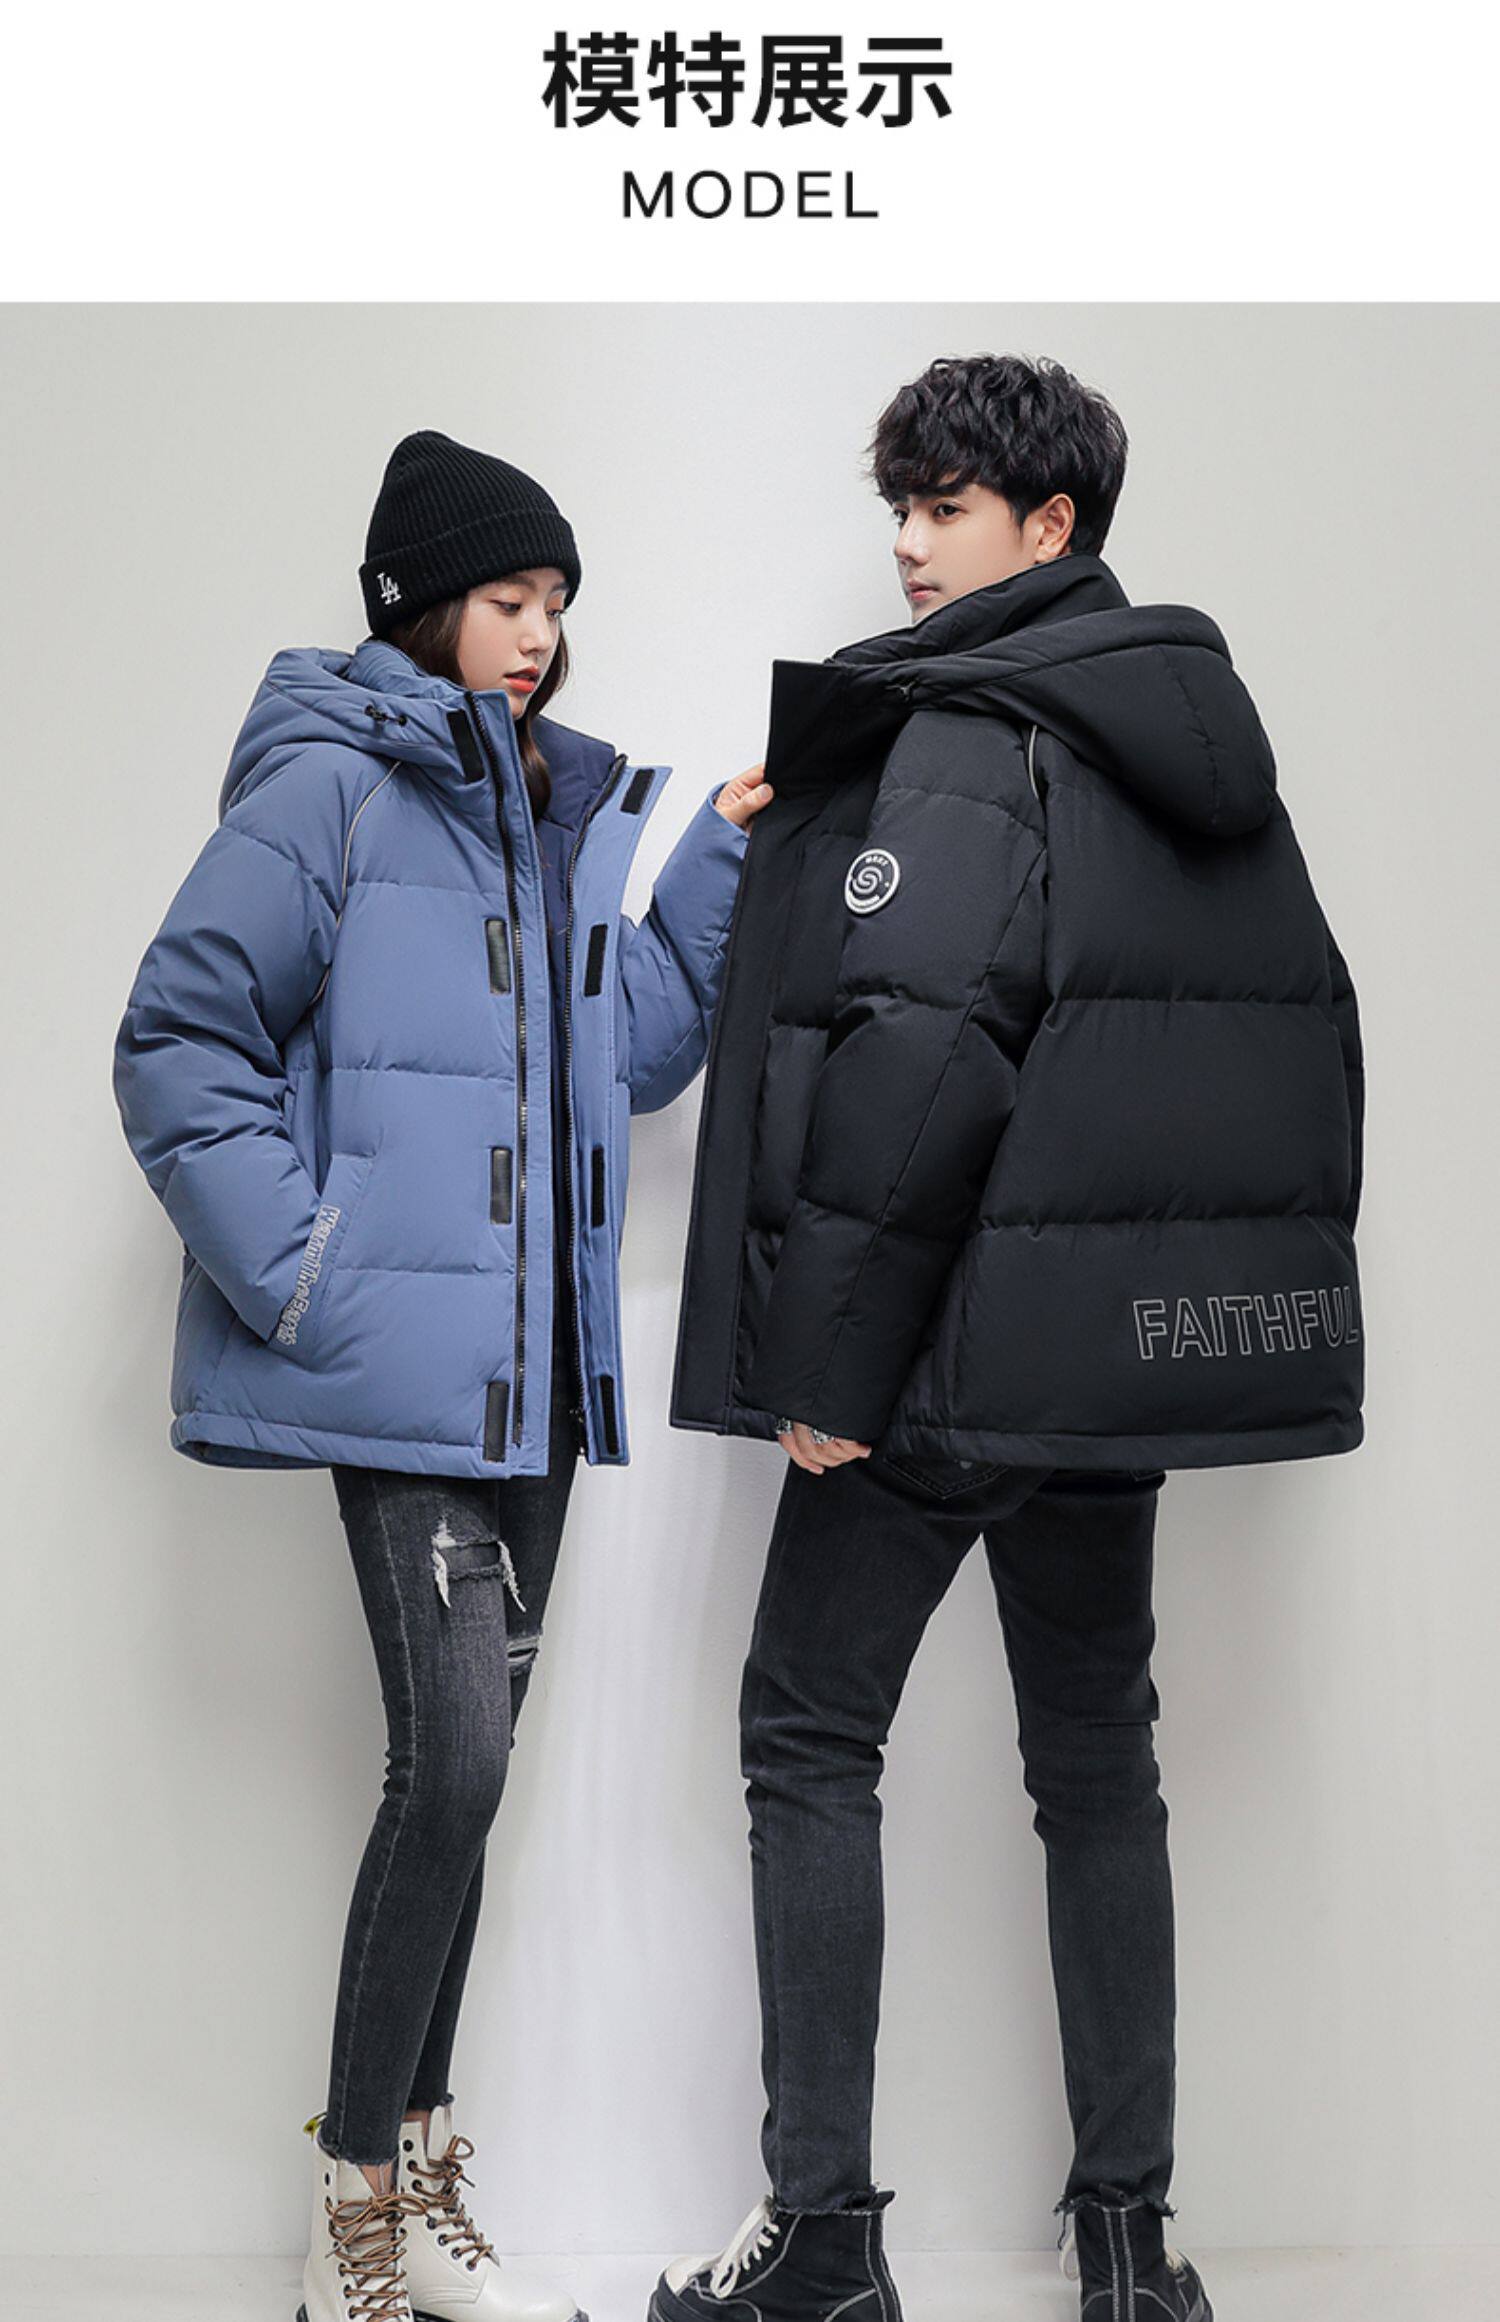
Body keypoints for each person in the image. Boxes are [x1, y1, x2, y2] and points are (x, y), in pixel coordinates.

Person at [662, 356, 1365, 2322]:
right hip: (1097, 1370)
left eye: (945, 506)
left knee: (809, 1734)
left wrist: (829, 1372)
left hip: (943, 1355)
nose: (906, 542)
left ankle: (822, 2242)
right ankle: (1132, 2248)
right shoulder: (1184, 735)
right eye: (900, 504)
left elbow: (922, 1062)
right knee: (1099, 1761)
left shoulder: (980, 730)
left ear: (1048, 527)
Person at [112, 428, 771, 2322]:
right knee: (455, 1758)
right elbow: (177, 1040)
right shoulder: (326, 791)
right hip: (395, 1373)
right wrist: (302, 1270)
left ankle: (418, 2163)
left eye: (556, 601)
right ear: (418, 608)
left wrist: (721, 850)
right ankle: (350, 2208)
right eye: (507, 597)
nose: (540, 632)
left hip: (528, 1383)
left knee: (466, 1788)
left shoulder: (542, 813)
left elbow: (633, 1050)